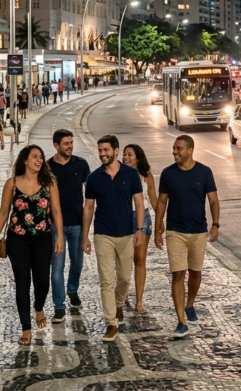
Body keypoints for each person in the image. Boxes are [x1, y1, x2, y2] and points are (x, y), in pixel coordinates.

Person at [0, 145, 64, 346]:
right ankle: (26, 328)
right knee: (22, 283)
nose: (39, 160)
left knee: (42, 283)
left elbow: (56, 211)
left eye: (41, 157)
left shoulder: (49, 183)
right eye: (34, 157)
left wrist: (59, 237)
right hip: (17, 240)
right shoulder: (12, 183)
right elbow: (4, 212)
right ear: (25, 160)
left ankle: (38, 307)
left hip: (42, 239)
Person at [154, 135, 220, 338]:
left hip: (198, 231)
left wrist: (215, 224)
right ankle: (181, 321)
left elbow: (213, 200)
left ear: (190, 150)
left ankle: (190, 304)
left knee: (196, 272)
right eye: (174, 148)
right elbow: (162, 202)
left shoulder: (204, 172)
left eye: (179, 148)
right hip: (175, 231)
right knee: (178, 274)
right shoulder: (168, 173)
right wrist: (158, 228)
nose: (175, 152)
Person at [82, 134, 145, 342]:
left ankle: (118, 303)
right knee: (106, 280)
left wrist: (139, 229)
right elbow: (88, 207)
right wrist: (85, 236)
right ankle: (110, 323)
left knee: (125, 277)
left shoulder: (131, 174)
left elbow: (139, 202)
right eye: (100, 150)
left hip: (127, 233)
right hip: (103, 234)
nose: (102, 154)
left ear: (116, 151)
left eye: (106, 150)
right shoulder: (93, 178)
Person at [46, 129, 92, 322]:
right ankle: (59, 307)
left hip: (77, 223)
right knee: (57, 266)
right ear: (56, 145)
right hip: (56, 226)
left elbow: (90, 193)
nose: (70, 146)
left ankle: (72, 289)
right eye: (66, 143)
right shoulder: (48, 167)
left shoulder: (81, 164)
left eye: (71, 143)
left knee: (77, 262)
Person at [124, 144, 159, 314]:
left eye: (130, 154)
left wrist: (160, 221)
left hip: (143, 217)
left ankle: (139, 300)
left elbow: (153, 199)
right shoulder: (119, 174)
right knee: (124, 259)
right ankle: (123, 292)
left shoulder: (146, 176)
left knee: (139, 259)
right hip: (124, 217)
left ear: (138, 158)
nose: (126, 157)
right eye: (124, 154)